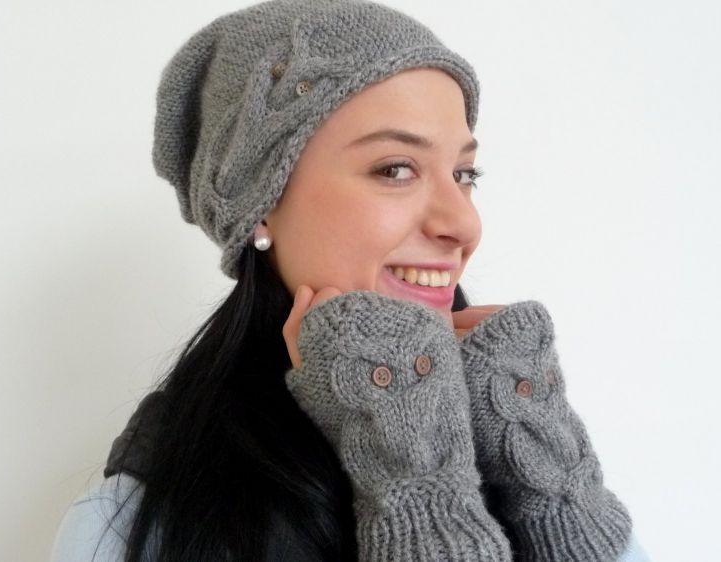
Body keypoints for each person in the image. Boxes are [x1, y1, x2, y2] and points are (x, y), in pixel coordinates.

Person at [50, 0, 651, 560]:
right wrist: (416, 482)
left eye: (465, 174)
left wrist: (551, 484)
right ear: (261, 204)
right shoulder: (130, 527)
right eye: (395, 169)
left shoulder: (511, 441)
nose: (464, 224)